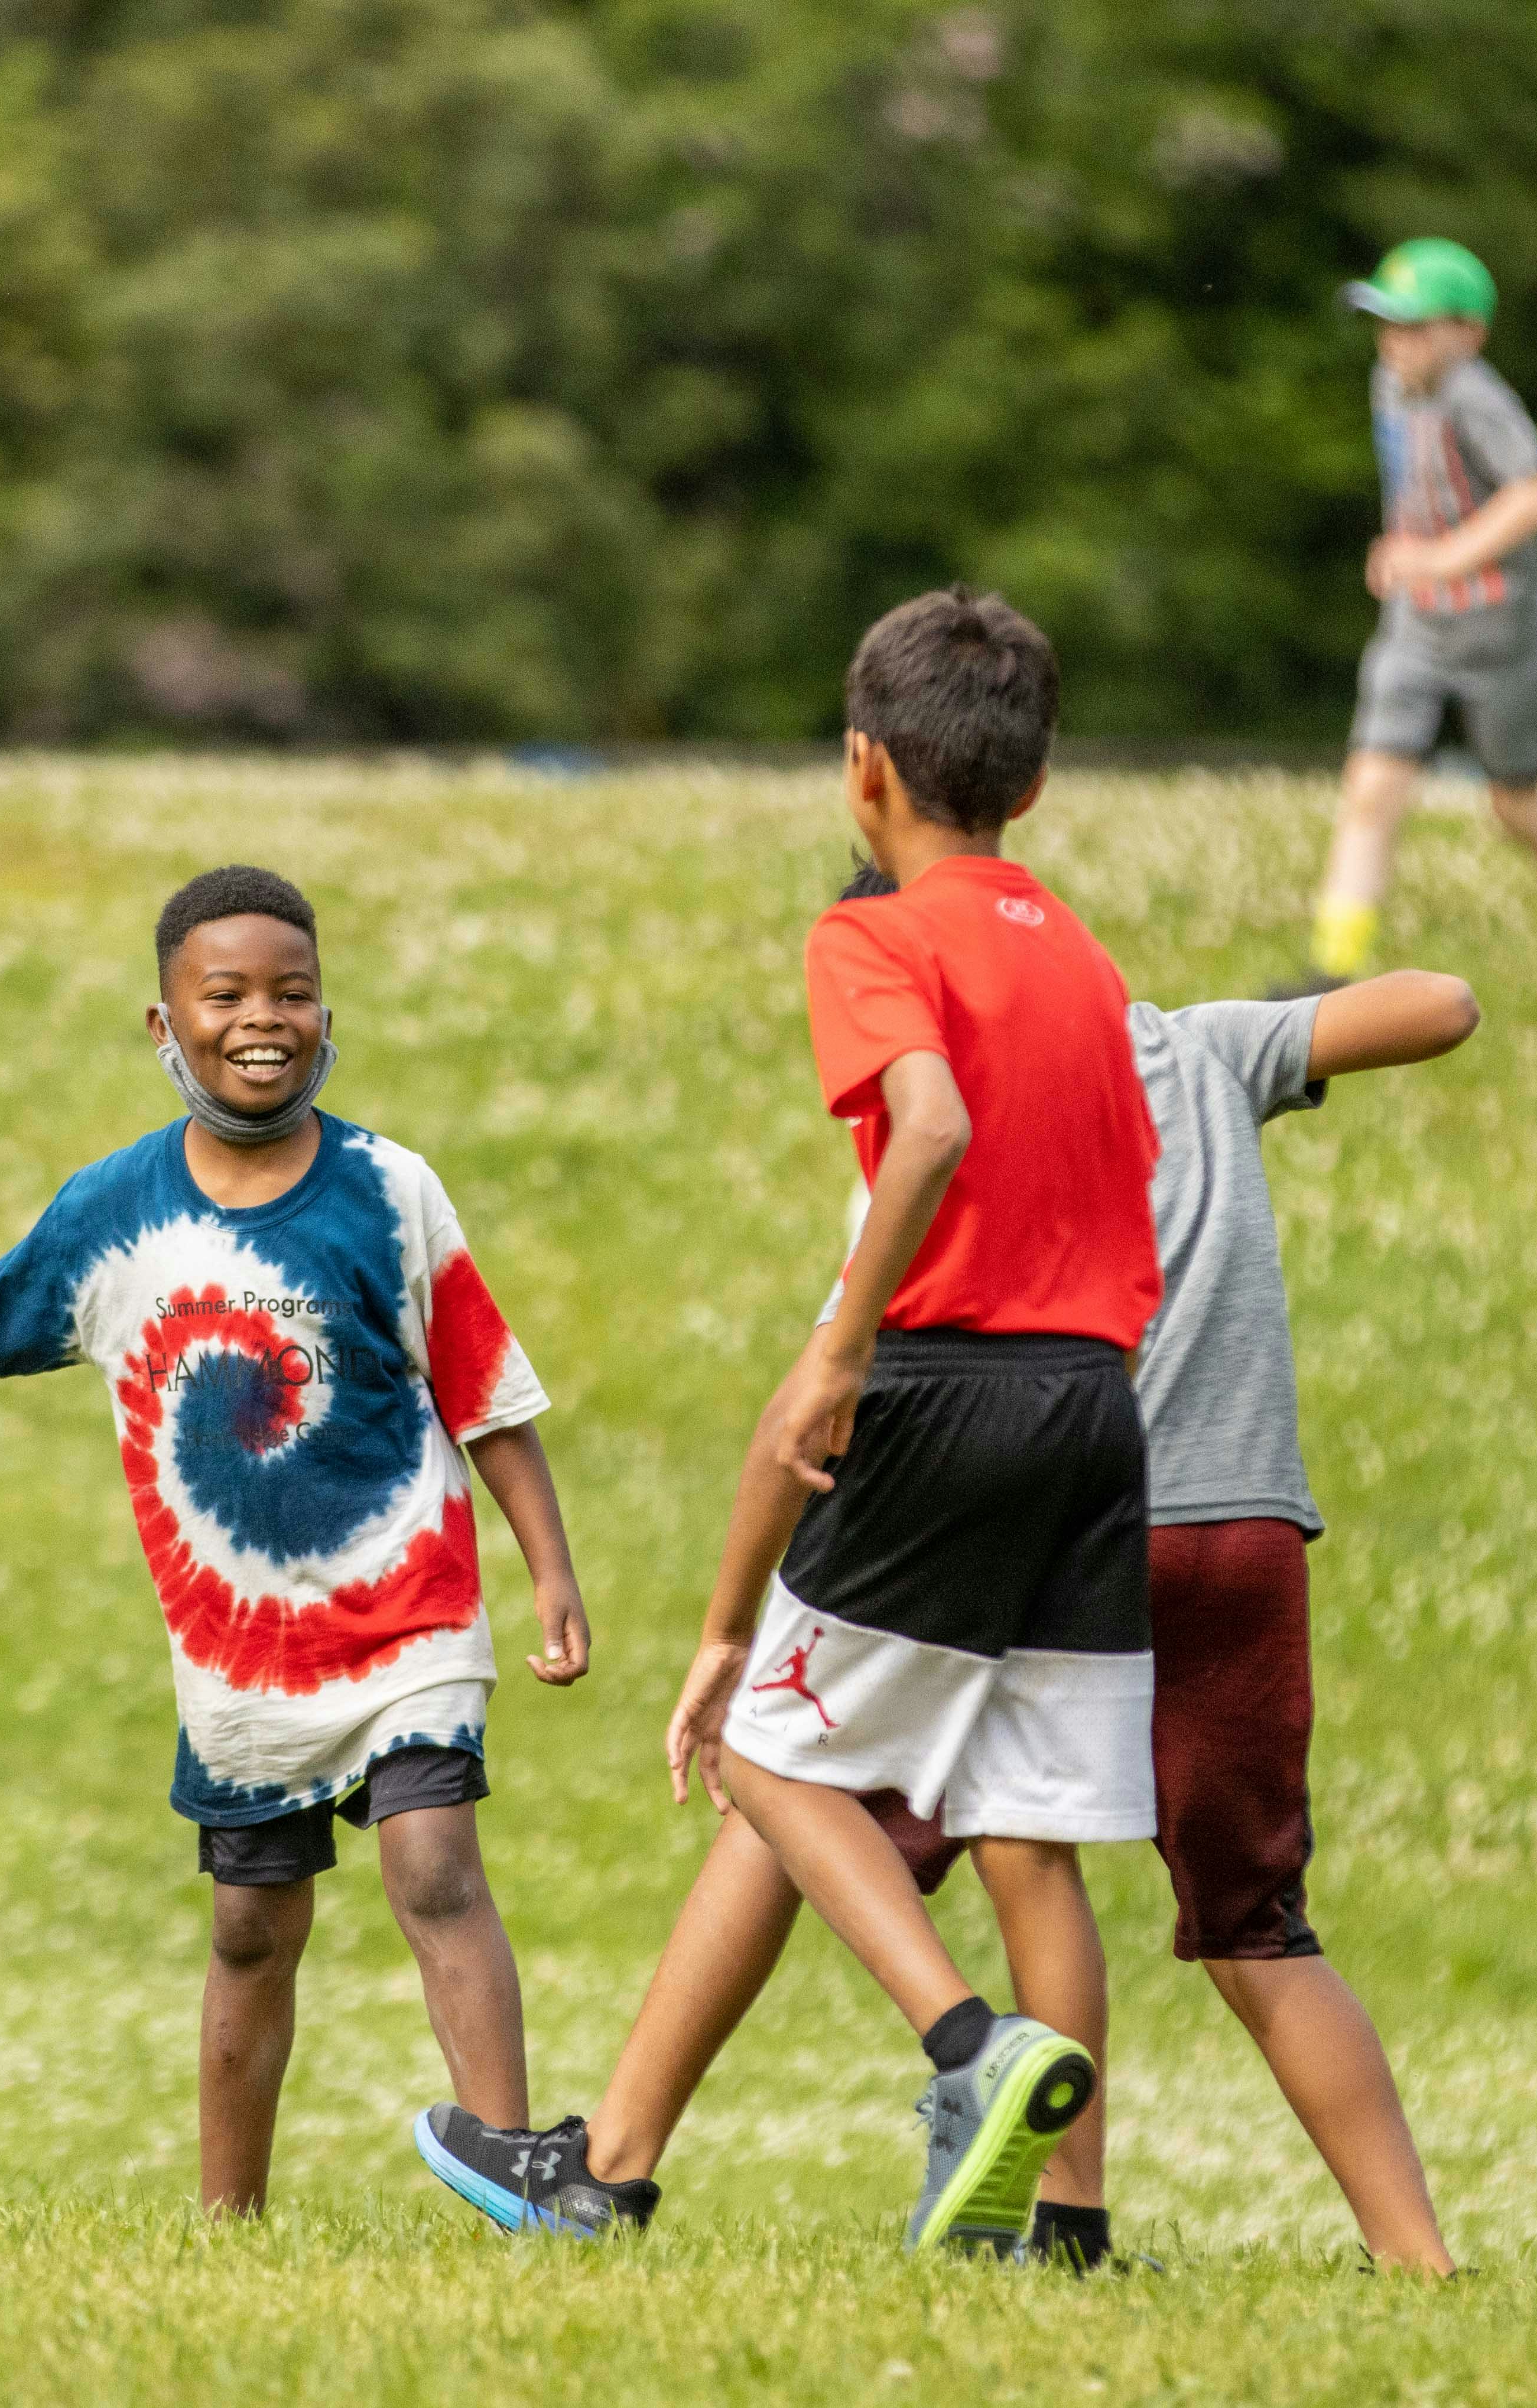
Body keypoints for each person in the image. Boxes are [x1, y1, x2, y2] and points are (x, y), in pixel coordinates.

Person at [418, 590, 1160, 2253]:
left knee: (765, 1746)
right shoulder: (1087, 958)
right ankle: (1068, 2225)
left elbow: (928, 1123)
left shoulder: (874, 935)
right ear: (1030, 788)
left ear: (860, 769)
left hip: (946, 1384)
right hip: (1096, 1403)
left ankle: (968, 2047)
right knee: (1030, 1821)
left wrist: (843, 1345)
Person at [564, 943, 1479, 2273]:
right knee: (1258, 1926)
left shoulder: (953, 1130)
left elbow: (828, 1392)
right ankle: (1415, 2261)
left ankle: (616, 2165)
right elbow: (1444, 1004)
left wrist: (731, 1614)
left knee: (811, 1789)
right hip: (1240, 1532)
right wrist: (1270, 1026)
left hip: (1059, 1525)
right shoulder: (1190, 1044)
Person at [0, 865, 594, 2218]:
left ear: (329, 1016)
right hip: (241, 1661)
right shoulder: (109, 1215)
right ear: (163, 1028)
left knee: (433, 1864)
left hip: (409, 1609)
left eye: (293, 990)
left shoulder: (390, 1191)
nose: (261, 1017)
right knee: (249, 1928)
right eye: (223, 994)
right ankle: (229, 2222)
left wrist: (551, 1571)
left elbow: (487, 1395)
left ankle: (511, 2167)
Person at [1291, 237, 1537, 1011]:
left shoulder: (1474, 395)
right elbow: (1419, 486)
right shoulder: (1389, 387)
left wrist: (1436, 558)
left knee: (1516, 805)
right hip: (1416, 631)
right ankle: (1329, 983)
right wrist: (1398, 552)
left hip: (1505, 639)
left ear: (1467, 333)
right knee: (1372, 789)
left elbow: (1536, 497)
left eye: (1413, 326)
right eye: (1384, 325)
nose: (1394, 342)